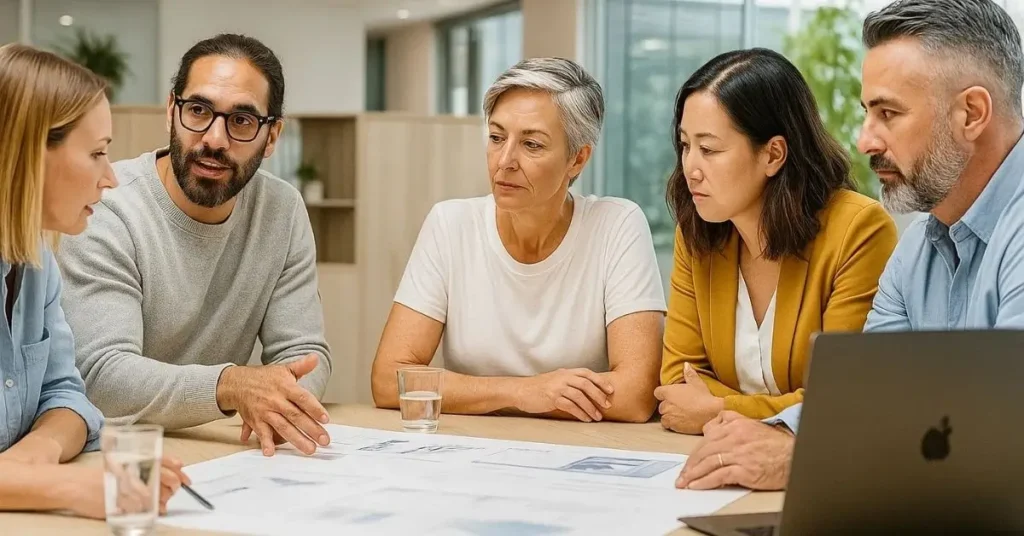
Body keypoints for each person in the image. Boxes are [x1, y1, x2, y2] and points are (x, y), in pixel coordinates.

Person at [677, 0, 1024, 490]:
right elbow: (870, 400)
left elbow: (1007, 426)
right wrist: (779, 435)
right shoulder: (916, 251)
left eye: (889, 114)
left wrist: (807, 457)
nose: (864, 141)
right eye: (867, 113)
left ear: (972, 113)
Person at [57, 34, 332, 457]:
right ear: (172, 111)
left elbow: (303, 351)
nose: (215, 139)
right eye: (199, 111)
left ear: (272, 135)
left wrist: (280, 404)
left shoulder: (281, 209)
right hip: (118, 455)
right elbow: (102, 376)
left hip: (222, 452)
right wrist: (232, 386)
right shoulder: (108, 207)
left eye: (242, 121)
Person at [370, 57, 666, 424]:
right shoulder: (450, 224)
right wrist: (525, 392)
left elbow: (635, 395)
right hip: (473, 450)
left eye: (532, 145)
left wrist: (473, 393)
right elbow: (389, 381)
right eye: (496, 138)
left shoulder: (617, 225)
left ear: (578, 159)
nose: (504, 160)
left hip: (579, 453)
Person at [655, 48, 898, 434]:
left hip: (811, 464)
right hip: (710, 456)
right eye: (685, 146)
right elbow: (679, 381)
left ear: (773, 154)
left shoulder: (859, 231)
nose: (690, 169)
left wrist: (717, 408)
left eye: (709, 149)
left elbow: (841, 396)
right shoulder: (697, 229)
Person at [0, 43, 187, 519]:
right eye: (98, 153)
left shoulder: (37, 260)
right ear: (28, 152)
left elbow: (66, 396)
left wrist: (33, 460)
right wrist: (66, 487)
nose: (110, 178)